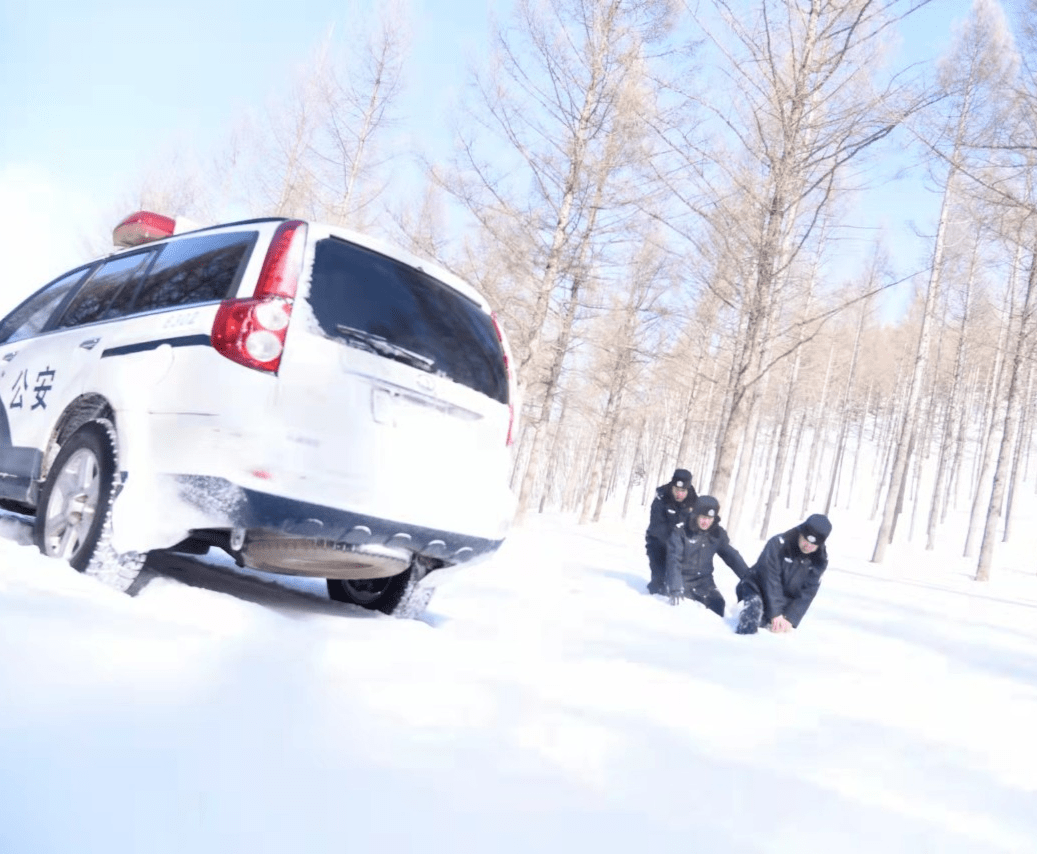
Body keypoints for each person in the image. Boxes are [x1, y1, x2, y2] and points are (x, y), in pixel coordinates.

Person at [735, 513, 832, 635]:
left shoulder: (820, 560)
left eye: (813, 544)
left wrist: (790, 618)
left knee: (779, 631)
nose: (808, 546)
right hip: (757, 588)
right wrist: (776, 613)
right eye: (805, 540)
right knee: (753, 616)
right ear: (801, 532)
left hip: (785, 599)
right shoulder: (778, 544)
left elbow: (808, 592)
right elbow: (770, 578)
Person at [664, 495, 749, 616]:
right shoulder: (681, 530)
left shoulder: (716, 533)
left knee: (718, 604)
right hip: (681, 579)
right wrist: (675, 586)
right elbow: (674, 559)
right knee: (684, 612)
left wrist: (748, 577)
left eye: (710, 518)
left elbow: (732, 557)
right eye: (703, 517)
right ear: (696, 515)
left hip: (704, 582)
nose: (706, 522)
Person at [645, 468, 697, 594]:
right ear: (672, 486)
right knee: (658, 587)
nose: (680, 494)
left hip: (682, 548)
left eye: (683, 491)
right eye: (677, 490)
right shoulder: (661, 498)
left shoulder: (694, 501)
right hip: (659, 543)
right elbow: (657, 528)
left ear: (688, 489)